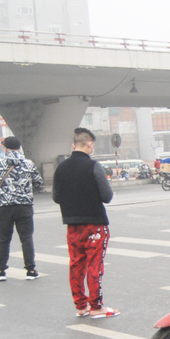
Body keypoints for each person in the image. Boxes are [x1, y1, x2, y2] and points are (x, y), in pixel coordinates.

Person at [53, 128, 120, 319]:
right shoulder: (93, 166)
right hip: (94, 224)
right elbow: (107, 196)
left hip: (72, 225)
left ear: (74, 145)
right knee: (94, 265)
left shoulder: (61, 168)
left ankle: (81, 306)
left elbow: (56, 197)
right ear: (89, 143)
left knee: (76, 264)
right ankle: (96, 306)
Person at [0, 136, 43, 281]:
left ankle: (1, 271)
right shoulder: (28, 163)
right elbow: (38, 182)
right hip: (24, 207)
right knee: (26, 238)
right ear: (19, 148)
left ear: (6, 148)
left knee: (4, 239)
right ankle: (30, 270)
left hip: (5, 207)